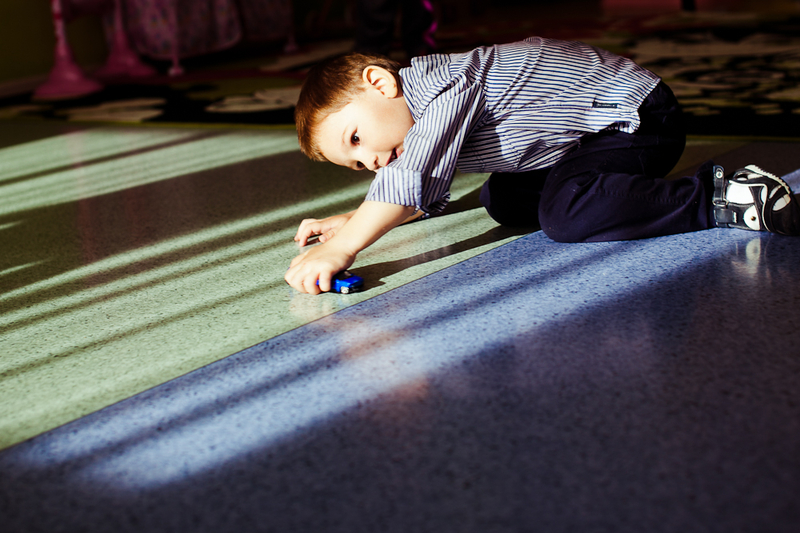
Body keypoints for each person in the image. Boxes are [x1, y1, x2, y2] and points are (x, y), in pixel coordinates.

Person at [285, 37, 800, 294]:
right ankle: (615, 189)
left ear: (380, 83)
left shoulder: (442, 88)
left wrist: (343, 248)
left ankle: (721, 197)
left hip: (634, 117)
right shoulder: (414, 115)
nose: (371, 160)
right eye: (357, 164)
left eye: (357, 139)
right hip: (572, 141)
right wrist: (354, 219)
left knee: (565, 214)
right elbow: (422, 183)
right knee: (503, 199)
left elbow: (409, 177)